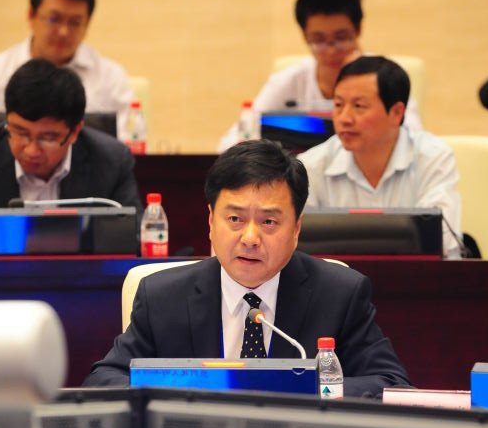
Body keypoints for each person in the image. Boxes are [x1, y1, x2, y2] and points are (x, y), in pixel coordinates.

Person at [84, 139, 410, 397]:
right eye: (235, 219)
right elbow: (103, 380)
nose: (250, 238)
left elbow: (391, 385)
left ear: (296, 228)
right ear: (211, 221)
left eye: (269, 222)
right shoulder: (163, 296)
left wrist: (299, 391)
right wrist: (184, 392)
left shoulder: (339, 294)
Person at [218, 0, 421, 151]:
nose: (331, 50)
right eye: (319, 40)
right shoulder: (288, 81)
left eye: (341, 38)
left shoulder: (385, 77)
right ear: (305, 35)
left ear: (358, 29)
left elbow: (414, 140)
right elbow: (232, 143)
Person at [298, 55, 463, 259]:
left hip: (416, 276)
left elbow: (443, 242)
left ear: (396, 112)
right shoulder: (311, 165)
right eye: (338, 105)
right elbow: (297, 245)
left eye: (359, 106)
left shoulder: (433, 157)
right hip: (336, 277)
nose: (344, 118)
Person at [0, 58, 142, 254]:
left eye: (47, 138)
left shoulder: (111, 161)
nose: (31, 150)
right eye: (20, 133)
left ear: (74, 132)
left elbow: (135, 240)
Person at [0, 0, 134, 138]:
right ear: (31, 15)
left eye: (74, 22)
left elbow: (127, 143)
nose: (63, 32)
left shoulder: (111, 78)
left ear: (87, 24)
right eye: (54, 19)